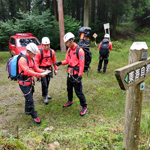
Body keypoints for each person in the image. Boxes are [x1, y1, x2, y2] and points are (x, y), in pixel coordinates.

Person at [55, 32, 87, 116]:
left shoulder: (80, 51)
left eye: (67, 43)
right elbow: (67, 61)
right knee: (69, 88)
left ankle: (84, 106)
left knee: (78, 92)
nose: (66, 44)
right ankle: (70, 101)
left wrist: (80, 76)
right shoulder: (69, 50)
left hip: (76, 75)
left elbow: (82, 64)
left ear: (72, 41)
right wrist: (60, 62)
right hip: (69, 73)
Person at [18, 43, 48, 124]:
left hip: (30, 82)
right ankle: (34, 116)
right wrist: (39, 75)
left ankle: (27, 111)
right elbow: (27, 71)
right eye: (33, 53)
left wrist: (44, 71)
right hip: (24, 83)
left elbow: (35, 68)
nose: (35, 55)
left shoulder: (31, 59)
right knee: (30, 99)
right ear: (29, 52)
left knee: (29, 97)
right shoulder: (22, 60)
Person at [34, 37, 58, 105]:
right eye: (45, 45)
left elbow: (54, 61)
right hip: (42, 70)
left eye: (48, 45)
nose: (46, 46)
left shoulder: (52, 52)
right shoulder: (39, 53)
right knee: (44, 83)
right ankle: (44, 96)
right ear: (42, 44)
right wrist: (38, 73)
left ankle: (46, 93)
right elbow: (36, 64)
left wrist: (56, 69)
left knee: (47, 82)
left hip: (49, 69)